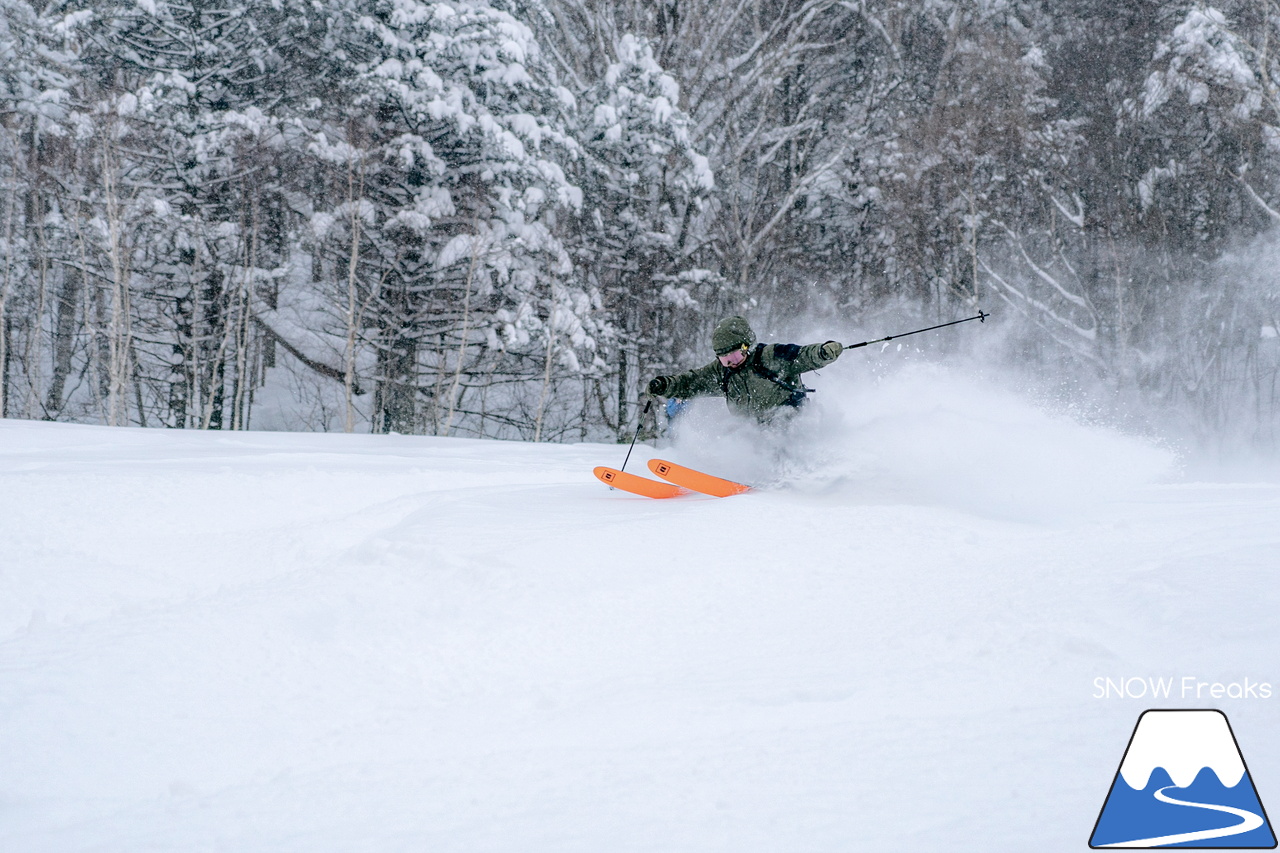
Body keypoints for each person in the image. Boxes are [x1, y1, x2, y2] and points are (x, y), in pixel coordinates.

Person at [646, 316, 843, 422]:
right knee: (732, 435)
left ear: (746, 347)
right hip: (752, 434)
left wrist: (823, 352)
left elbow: (802, 355)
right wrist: (664, 385)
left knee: (780, 423)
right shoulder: (722, 372)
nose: (731, 362)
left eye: (734, 355)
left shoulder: (771, 356)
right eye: (724, 358)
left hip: (790, 423)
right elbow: (691, 382)